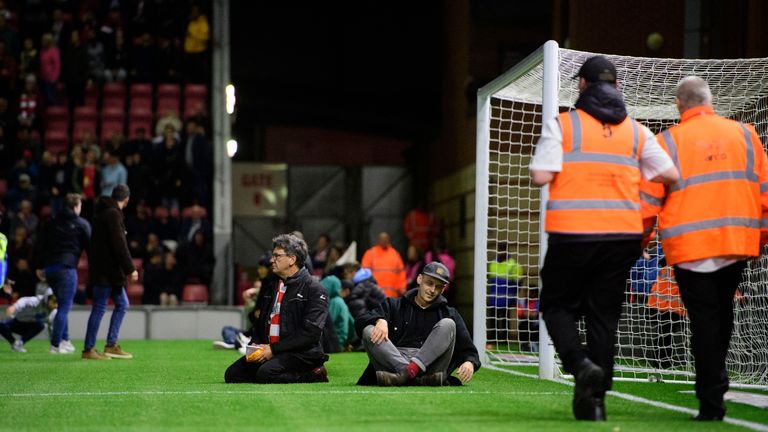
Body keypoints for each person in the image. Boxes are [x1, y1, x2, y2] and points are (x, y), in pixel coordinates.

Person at [529, 55, 679, 421]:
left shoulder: (565, 125)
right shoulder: (637, 131)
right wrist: (639, 205)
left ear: (581, 85)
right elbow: (669, 175)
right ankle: (596, 402)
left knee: (556, 305)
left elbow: (540, 176)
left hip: (573, 232)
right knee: (603, 317)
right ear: (617, 88)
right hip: (622, 237)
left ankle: (580, 366)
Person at [642, 76, 768, 421]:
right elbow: (765, 193)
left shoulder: (667, 141)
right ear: (709, 100)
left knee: (703, 320)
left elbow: (648, 202)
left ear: (680, 104)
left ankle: (711, 397)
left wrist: (639, 243)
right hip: (736, 243)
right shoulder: (746, 134)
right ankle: (714, 387)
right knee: (720, 315)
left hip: (689, 247)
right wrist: (758, 239)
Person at [224, 233, 329, 384]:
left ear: (292, 260)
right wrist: (255, 343)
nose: (271, 260)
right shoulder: (272, 284)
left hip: (302, 354)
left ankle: (314, 374)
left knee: (266, 374)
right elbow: (261, 321)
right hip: (272, 350)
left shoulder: (315, 289)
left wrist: (273, 350)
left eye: (277, 256)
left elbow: (310, 334)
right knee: (233, 374)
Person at [355, 262, 480, 386]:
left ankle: (405, 376)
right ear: (419, 279)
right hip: (395, 364)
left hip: (431, 368)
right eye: (429, 283)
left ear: (443, 290)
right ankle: (412, 375)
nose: (432, 290)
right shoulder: (394, 305)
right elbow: (360, 320)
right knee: (369, 330)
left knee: (448, 324)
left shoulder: (450, 313)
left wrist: (470, 362)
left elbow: (469, 350)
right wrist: (379, 320)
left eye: (438, 287)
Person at [83, 184, 138, 360]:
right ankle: (89, 349)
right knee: (100, 308)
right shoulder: (113, 214)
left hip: (107, 272)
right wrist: (130, 268)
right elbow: (120, 244)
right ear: (127, 198)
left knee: (122, 304)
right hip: (107, 273)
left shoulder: (102, 213)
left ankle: (110, 345)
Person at [35, 193, 90, 354]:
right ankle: (55, 344)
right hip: (66, 269)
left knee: (61, 306)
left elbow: (40, 244)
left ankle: (65, 340)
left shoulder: (50, 222)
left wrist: (39, 266)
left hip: (50, 269)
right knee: (64, 307)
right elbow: (91, 247)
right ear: (75, 207)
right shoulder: (81, 223)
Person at [0, 288, 56, 352]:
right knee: (1, 325)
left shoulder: (53, 312)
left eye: (57, 302)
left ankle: (19, 344)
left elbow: (51, 328)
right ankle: (14, 343)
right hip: (17, 322)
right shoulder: (37, 301)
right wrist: (14, 306)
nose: (55, 305)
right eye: (54, 302)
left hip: (30, 327)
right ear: (47, 298)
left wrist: (54, 345)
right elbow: (24, 300)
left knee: (41, 325)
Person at [361, 232, 406, 297]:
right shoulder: (370, 254)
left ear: (389, 240)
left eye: (386, 239)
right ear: (378, 240)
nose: (384, 241)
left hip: (392, 295)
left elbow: (401, 272)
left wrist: (402, 288)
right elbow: (365, 273)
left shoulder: (395, 254)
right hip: (374, 294)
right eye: (382, 239)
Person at [320, 275, 355, 350]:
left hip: (334, 343)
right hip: (340, 342)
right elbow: (352, 323)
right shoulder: (340, 301)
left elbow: (326, 323)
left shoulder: (335, 302)